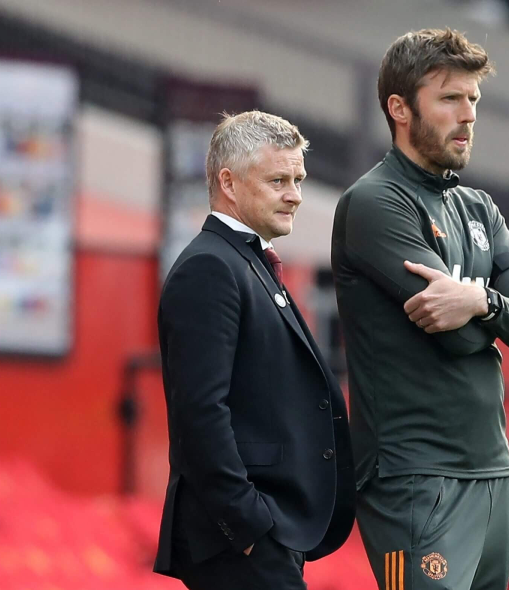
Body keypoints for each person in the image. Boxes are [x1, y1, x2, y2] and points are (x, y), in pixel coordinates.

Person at [331, 29, 509, 590]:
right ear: (400, 108)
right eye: (450, 98)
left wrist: (479, 300)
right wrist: (500, 316)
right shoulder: (375, 201)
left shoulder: (479, 208)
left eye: (473, 99)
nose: (468, 114)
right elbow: (454, 336)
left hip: (492, 472)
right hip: (414, 480)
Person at [154, 110, 355, 590]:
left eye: (298, 180)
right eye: (278, 180)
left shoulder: (245, 261)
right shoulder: (209, 267)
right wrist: (247, 527)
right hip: (239, 538)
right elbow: (200, 413)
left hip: (264, 532)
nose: (295, 195)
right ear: (229, 182)